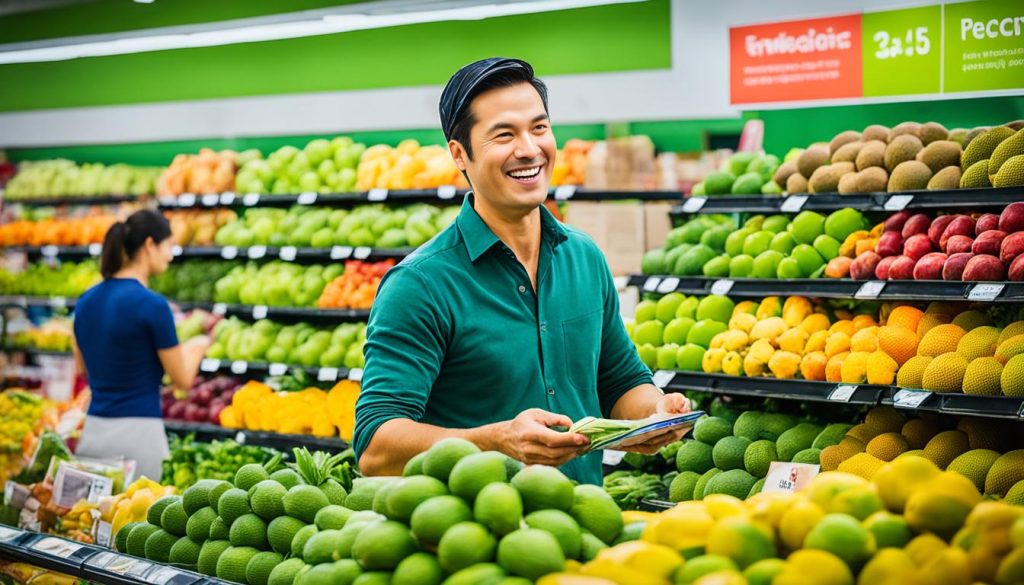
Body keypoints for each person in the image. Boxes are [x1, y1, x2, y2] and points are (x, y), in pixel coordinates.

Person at [354, 58, 691, 484]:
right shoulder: (420, 285)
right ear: (460, 155)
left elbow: (621, 382)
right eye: (504, 135)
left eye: (539, 128)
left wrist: (653, 414)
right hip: (476, 538)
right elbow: (374, 446)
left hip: (585, 526)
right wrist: (495, 441)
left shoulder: (584, 257)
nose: (529, 148)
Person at [72, 209, 210, 480]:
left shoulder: (85, 301)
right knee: (137, 519)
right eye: (169, 245)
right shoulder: (153, 305)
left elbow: (82, 368)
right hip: (139, 437)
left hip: (93, 433)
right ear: (150, 245)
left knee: (89, 519)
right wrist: (199, 346)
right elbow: (182, 380)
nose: (171, 255)